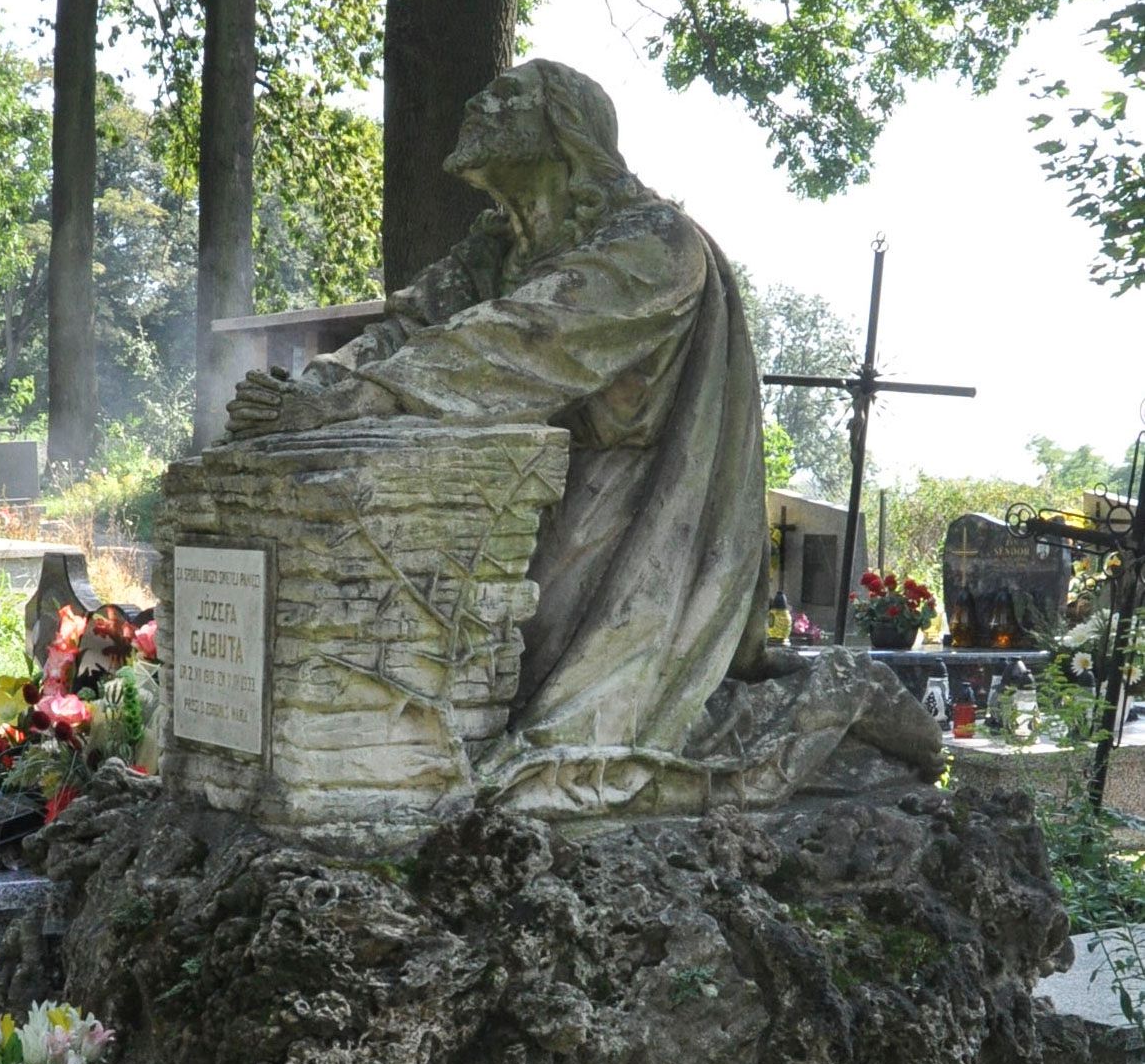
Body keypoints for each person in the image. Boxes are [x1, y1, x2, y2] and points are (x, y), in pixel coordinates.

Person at [228, 59, 941, 811]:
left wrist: (357, 396)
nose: (480, 100)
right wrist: (316, 387)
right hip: (548, 496)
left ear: (566, 128)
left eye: (508, 95)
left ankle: (846, 694)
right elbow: (408, 329)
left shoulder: (656, 245)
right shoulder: (496, 249)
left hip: (644, 512)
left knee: (578, 738)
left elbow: (525, 340)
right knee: (519, 699)